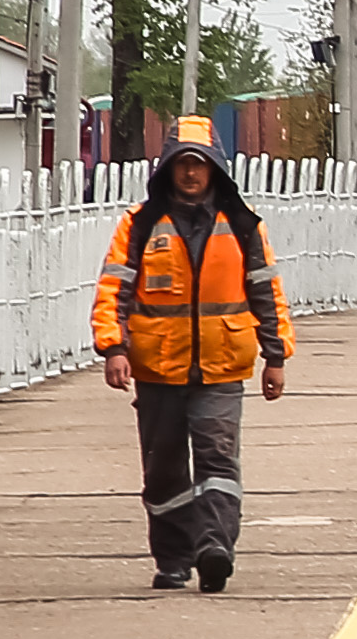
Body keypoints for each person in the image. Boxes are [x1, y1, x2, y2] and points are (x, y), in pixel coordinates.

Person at [95, 119, 292, 590]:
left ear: (215, 171)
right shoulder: (140, 223)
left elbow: (267, 291)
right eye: (182, 164)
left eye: (198, 165)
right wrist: (113, 347)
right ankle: (173, 559)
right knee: (163, 470)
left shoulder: (242, 224)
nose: (190, 173)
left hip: (223, 364)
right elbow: (114, 288)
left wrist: (276, 355)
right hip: (157, 366)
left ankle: (214, 547)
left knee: (218, 461)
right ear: (167, 168)